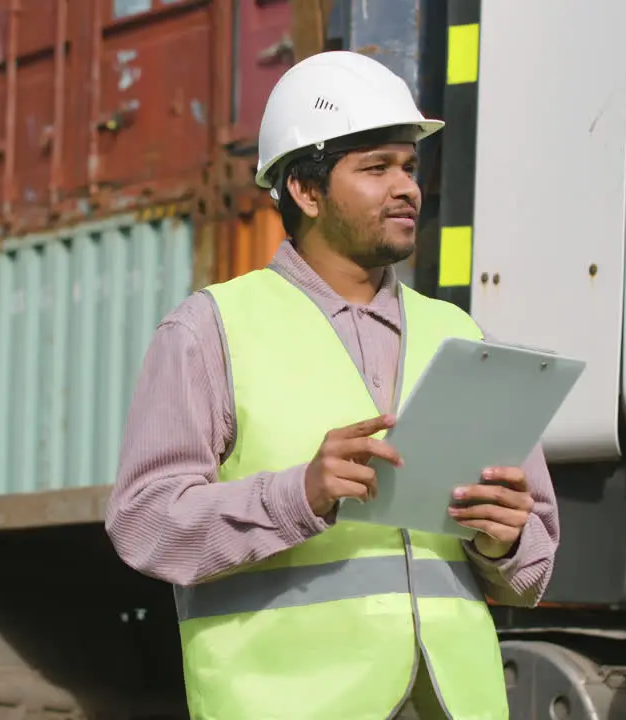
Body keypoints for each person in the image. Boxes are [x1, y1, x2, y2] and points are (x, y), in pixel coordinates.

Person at [104, 50, 560, 720]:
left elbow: (530, 566)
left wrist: (504, 539)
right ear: (305, 191)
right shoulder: (211, 329)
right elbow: (144, 524)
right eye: (376, 168)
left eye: (409, 166)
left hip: (448, 704)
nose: (406, 186)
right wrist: (300, 493)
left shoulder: (459, 334)